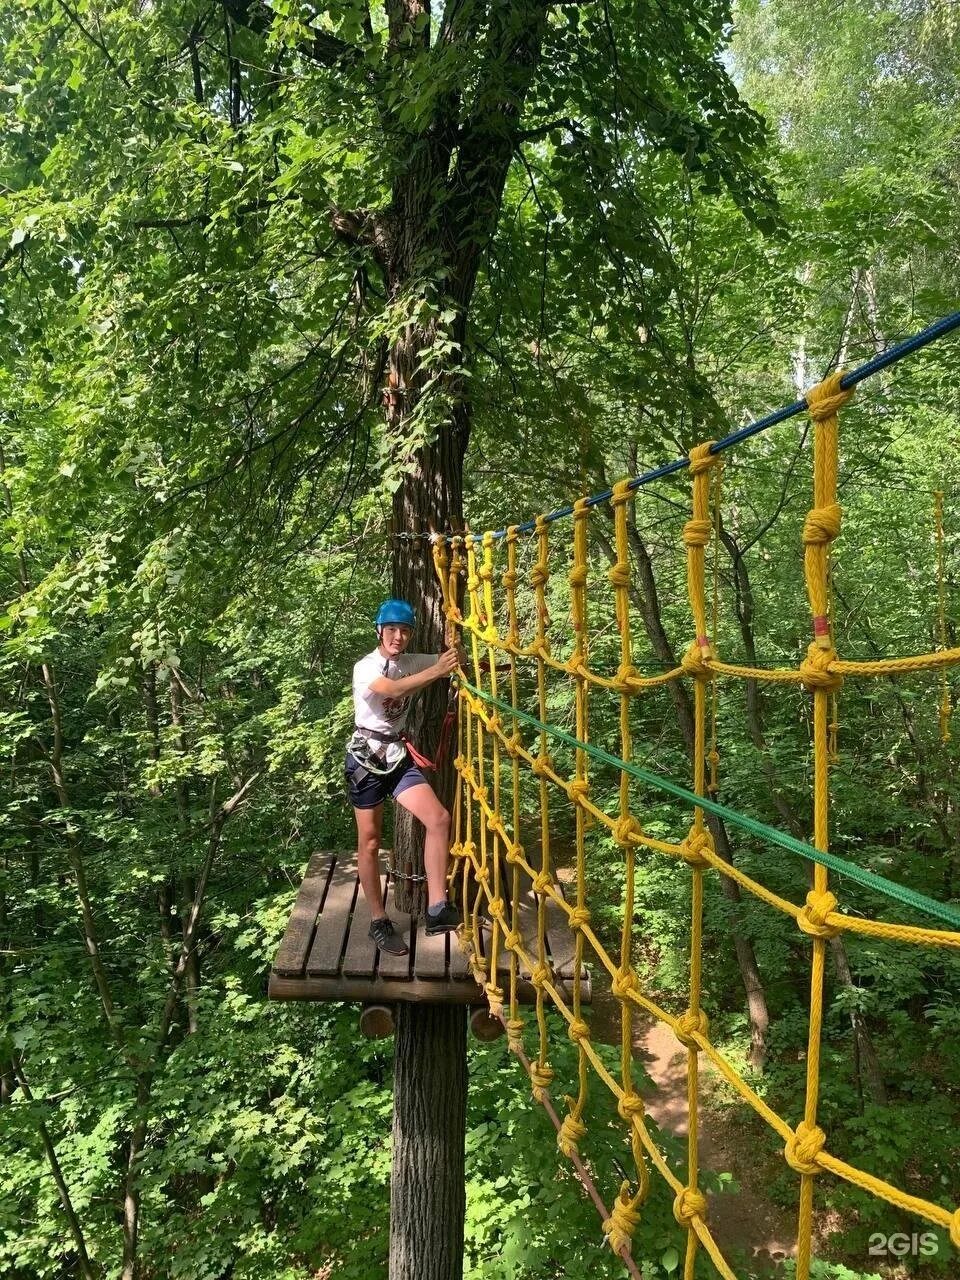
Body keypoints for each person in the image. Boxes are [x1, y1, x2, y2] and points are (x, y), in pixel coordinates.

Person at [347, 598, 463, 955]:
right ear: (380, 631)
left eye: (406, 630)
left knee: (439, 818)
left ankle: (437, 908)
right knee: (369, 842)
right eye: (393, 629)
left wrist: (460, 663)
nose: (399, 637)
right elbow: (394, 690)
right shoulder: (365, 667)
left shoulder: (409, 662)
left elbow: (448, 664)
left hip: (397, 758)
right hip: (366, 761)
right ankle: (379, 921)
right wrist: (438, 671)